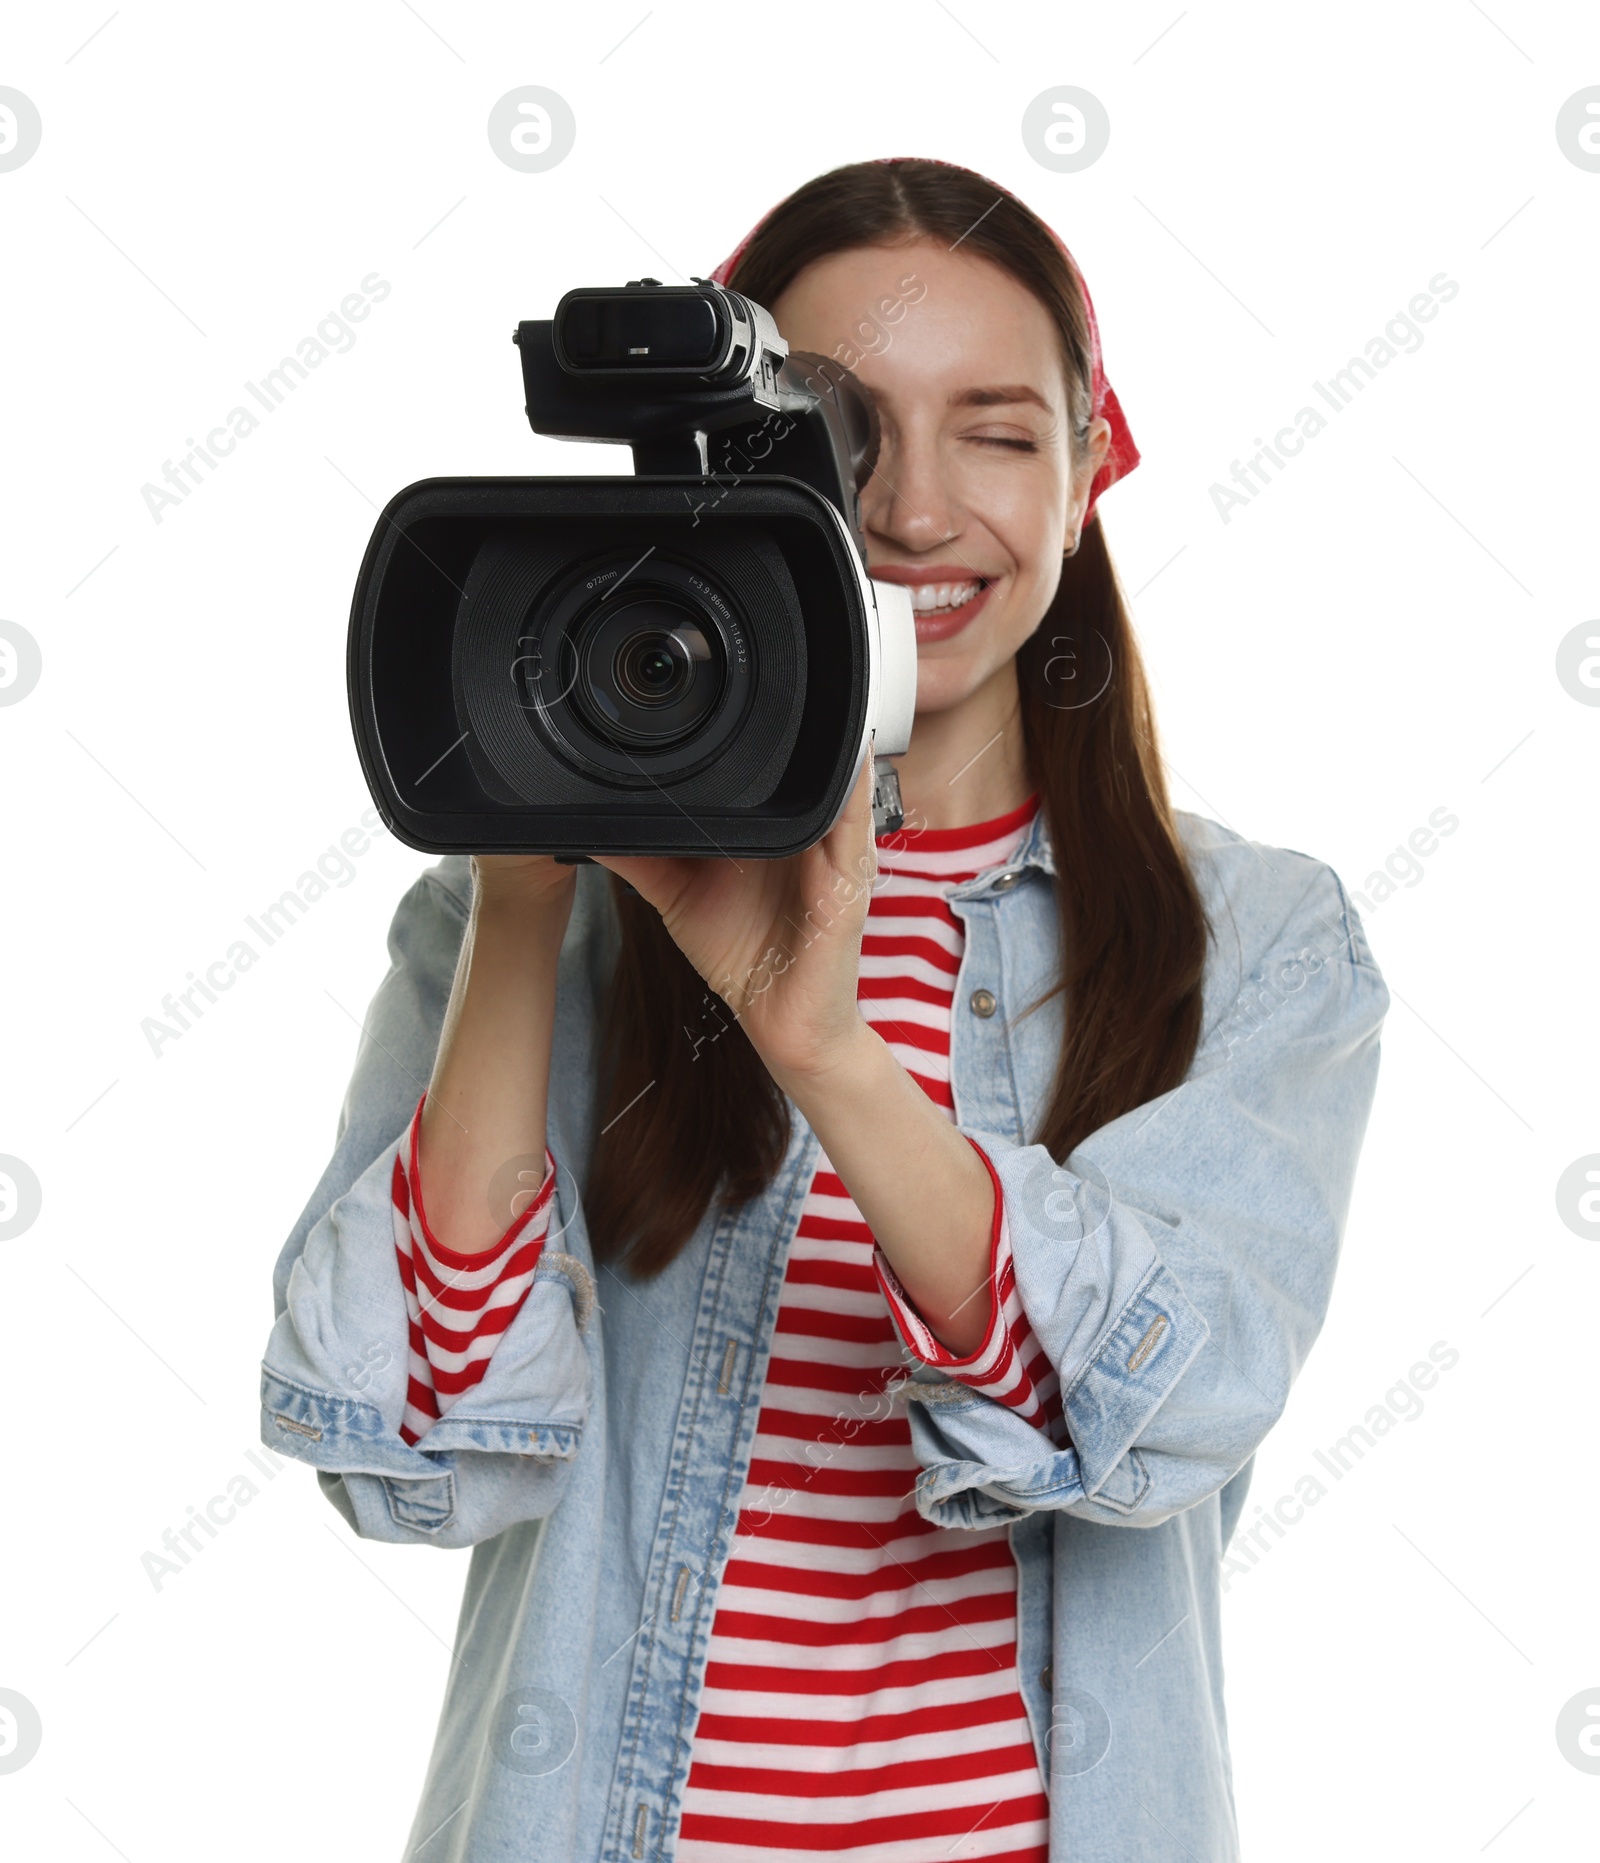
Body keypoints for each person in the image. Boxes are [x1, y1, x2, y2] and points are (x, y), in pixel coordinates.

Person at [262, 156, 1390, 1862]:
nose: (914, 512)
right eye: (843, 439)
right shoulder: (528, 926)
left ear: (1094, 476)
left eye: (1001, 433)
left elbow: (1164, 1413)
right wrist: (523, 868)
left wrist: (823, 1048)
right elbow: (421, 1452)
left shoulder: (1260, 944)